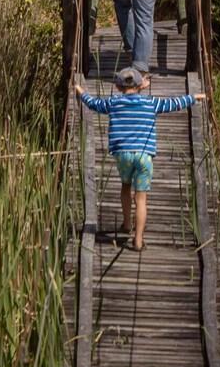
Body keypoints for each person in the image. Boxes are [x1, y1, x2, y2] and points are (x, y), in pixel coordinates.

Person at [75, 68, 204, 250]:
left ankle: (127, 223)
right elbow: (173, 103)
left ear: (118, 87)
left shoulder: (114, 102)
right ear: (140, 85)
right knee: (141, 198)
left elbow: (94, 103)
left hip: (123, 155)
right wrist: (193, 98)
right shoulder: (150, 103)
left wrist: (81, 92)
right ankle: (138, 240)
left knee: (126, 186)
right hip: (144, 156)